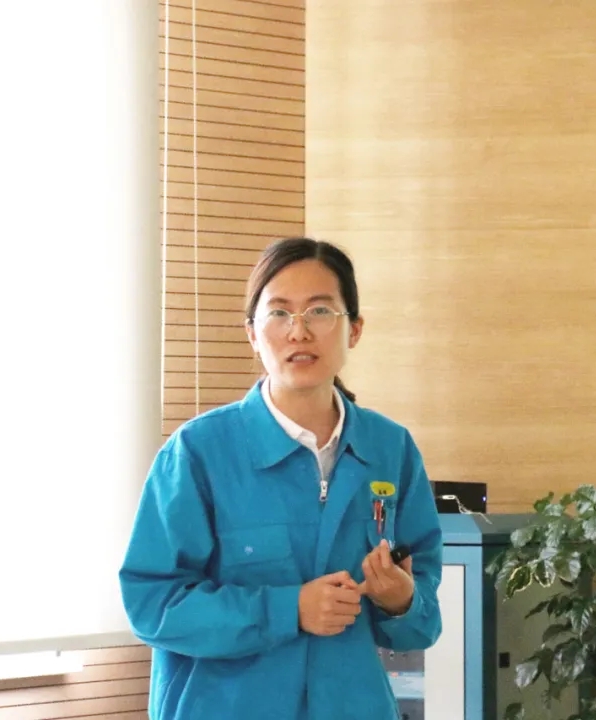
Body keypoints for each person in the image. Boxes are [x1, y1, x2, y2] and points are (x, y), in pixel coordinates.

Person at [119, 237, 443, 719]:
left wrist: (401, 600)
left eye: (320, 311)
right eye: (279, 313)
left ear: (354, 329)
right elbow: (152, 605)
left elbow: (422, 624)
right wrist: (290, 609)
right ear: (253, 333)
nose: (299, 331)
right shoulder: (199, 453)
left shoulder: (390, 450)